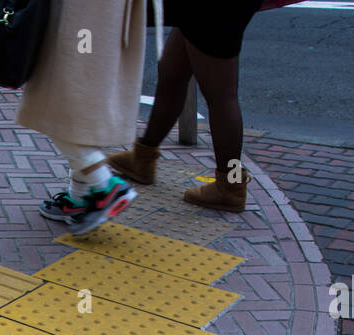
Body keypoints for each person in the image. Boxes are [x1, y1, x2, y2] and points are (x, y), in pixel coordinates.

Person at [107, 0, 264, 213]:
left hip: (210, 8)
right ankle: (142, 158)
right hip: (202, 9)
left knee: (221, 97)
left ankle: (231, 186)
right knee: (172, 73)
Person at [16, 0, 147, 234]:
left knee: (57, 102)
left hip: (85, 14)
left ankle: (105, 185)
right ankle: (78, 198)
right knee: (83, 107)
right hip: (101, 15)